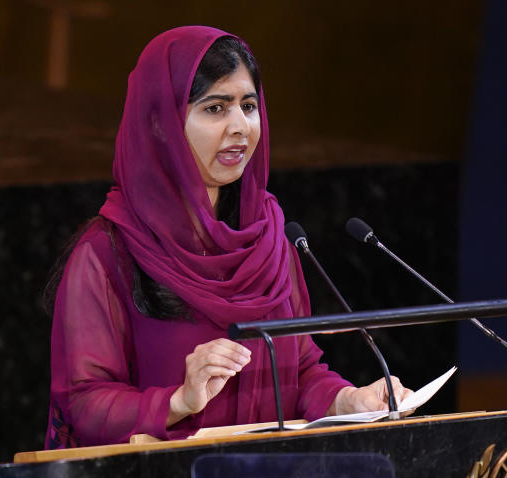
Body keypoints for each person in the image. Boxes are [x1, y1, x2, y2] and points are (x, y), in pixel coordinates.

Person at [45, 26, 409, 448]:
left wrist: (349, 401)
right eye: (216, 108)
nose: (240, 126)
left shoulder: (270, 238)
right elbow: (85, 403)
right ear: (160, 125)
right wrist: (178, 401)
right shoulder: (108, 252)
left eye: (248, 106)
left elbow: (299, 371)